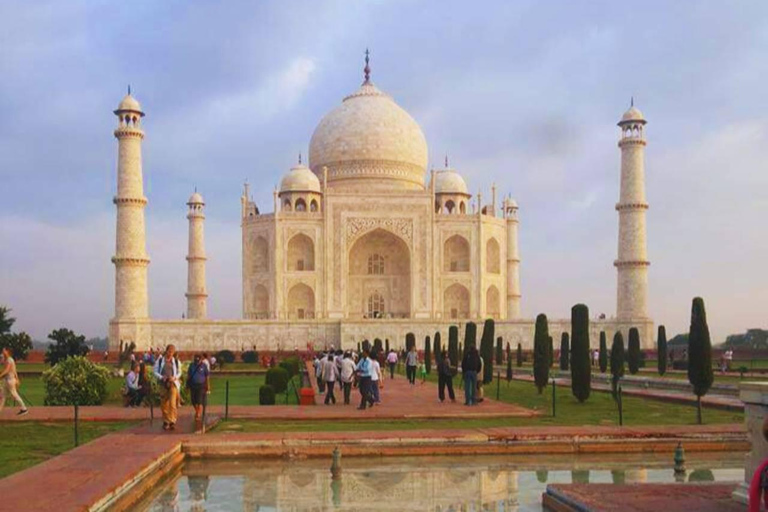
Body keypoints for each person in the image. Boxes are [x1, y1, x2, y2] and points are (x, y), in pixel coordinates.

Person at [154, 344, 181, 431]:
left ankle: (172, 421)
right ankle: (166, 421)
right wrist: (162, 377)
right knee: (164, 404)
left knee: (173, 404)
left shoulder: (176, 361)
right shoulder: (160, 360)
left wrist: (174, 377)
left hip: (173, 384)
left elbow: (179, 372)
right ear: (166, 351)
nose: (171, 353)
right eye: (169, 351)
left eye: (172, 352)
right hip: (163, 384)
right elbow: (155, 372)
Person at [0, 347, 28, 415]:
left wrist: (0, 376)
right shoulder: (6, 359)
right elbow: (14, 370)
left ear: (7, 351)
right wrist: (17, 379)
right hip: (7, 380)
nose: (3, 352)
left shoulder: (10, 360)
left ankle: (24, 408)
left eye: (4, 351)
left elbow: (7, 370)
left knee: (14, 395)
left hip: (10, 380)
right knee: (3, 396)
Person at [187, 354, 209, 421]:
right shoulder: (191, 365)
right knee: (193, 400)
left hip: (201, 385)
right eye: (196, 360)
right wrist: (187, 385)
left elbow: (207, 376)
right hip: (193, 385)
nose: (197, 362)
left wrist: (208, 385)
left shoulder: (204, 366)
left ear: (200, 360)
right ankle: (197, 410)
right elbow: (188, 375)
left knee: (199, 400)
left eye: (198, 360)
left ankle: (197, 412)